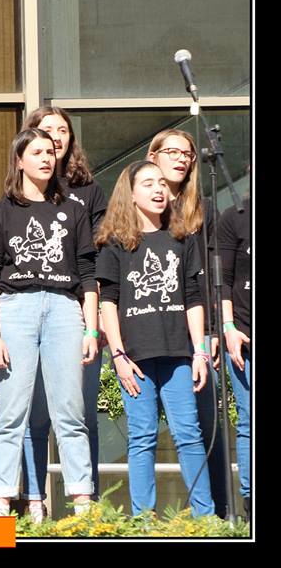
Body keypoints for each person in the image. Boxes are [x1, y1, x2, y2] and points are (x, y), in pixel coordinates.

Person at [0, 127, 98, 518]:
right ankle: (1, 499)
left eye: (50, 152)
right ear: (19, 160)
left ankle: (82, 502)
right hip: (15, 308)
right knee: (11, 412)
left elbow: (87, 273)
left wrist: (91, 328)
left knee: (70, 411)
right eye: (37, 152)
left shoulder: (74, 210)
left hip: (65, 309)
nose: (46, 159)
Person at [95, 160, 214, 517]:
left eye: (161, 183)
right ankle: (143, 521)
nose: (159, 189)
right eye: (148, 184)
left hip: (179, 354)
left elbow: (193, 297)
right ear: (130, 194)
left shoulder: (182, 238)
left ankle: (205, 518)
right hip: (134, 358)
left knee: (188, 433)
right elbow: (107, 301)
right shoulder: (115, 243)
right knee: (142, 436)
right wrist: (118, 356)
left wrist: (199, 352)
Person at [19, 106, 108, 522]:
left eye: (62, 130)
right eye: (46, 130)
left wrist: (94, 318)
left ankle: (88, 503)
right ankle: (33, 502)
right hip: (31, 311)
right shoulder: (20, 192)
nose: (56, 136)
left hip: (76, 309)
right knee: (33, 415)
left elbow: (96, 258)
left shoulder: (88, 192)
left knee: (81, 414)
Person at [146, 128, 228, 517]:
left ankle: (215, 515)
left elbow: (213, 276)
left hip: (196, 331)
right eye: (173, 152)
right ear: (153, 156)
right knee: (145, 432)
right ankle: (143, 519)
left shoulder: (203, 208)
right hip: (150, 330)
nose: (182, 159)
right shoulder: (139, 208)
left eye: (188, 154)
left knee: (203, 425)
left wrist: (212, 330)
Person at [218, 190, 251, 520]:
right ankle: (251, 501)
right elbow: (223, 281)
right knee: (249, 421)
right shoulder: (235, 216)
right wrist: (228, 327)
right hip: (244, 335)